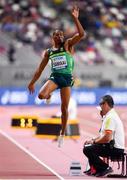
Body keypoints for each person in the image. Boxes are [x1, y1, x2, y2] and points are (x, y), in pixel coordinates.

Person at [28, 5, 86, 147]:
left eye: (61, 34)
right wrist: (32, 82)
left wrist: (75, 19)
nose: (60, 36)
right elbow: (39, 69)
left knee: (64, 108)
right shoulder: (49, 52)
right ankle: (49, 95)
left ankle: (62, 133)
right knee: (41, 95)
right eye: (57, 34)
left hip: (66, 79)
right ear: (52, 37)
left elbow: (82, 34)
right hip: (55, 77)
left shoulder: (67, 45)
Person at [83, 95, 125, 177]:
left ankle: (105, 168)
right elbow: (103, 136)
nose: (100, 107)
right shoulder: (109, 116)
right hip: (112, 146)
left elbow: (107, 138)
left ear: (106, 104)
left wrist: (94, 141)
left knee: (88, 149)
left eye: (101, 104)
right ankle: (94, 168)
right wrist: (92, 140)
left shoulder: (110, 117)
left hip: (115, 149)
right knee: (88, 145)